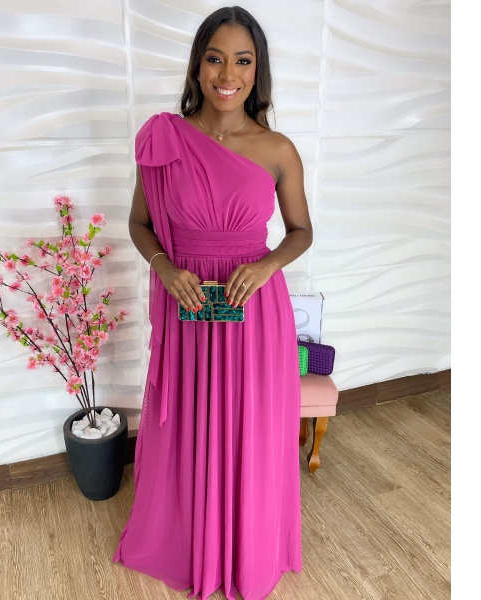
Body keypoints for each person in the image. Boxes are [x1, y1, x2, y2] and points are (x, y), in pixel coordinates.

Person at [113, 6, 312, 599]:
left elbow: (301, 231)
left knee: (250, 429)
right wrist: (165, 267)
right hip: (188, 306)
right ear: (198, 67)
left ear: (258, 70)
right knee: (190, 425)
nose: (228, 74)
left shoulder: (278, 148)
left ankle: (246, 547)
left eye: (242, 61)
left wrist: (267, 264)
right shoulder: (164, 139)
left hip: (255, 310)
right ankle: (192, 540)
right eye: (215, 58)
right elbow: (139, 223)